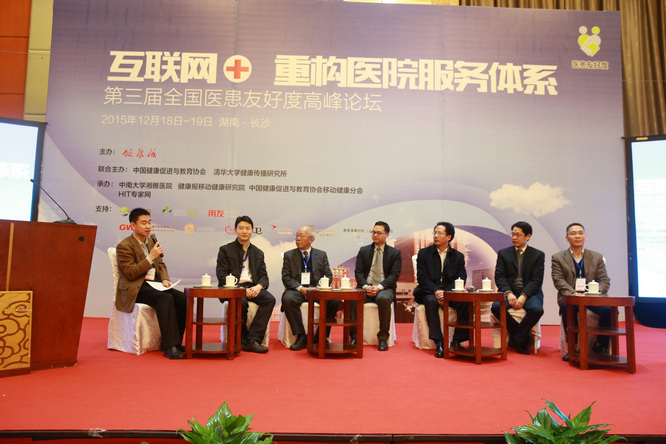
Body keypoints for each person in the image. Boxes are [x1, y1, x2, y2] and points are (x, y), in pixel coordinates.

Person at [115, 208, 187, 360]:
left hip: (155, 285)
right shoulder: (124, 245)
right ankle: (170, 347)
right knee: (165, 298)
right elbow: (131, 273)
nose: (148, 226)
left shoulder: (151, 241)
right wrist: (149, 258)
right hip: (137, 287)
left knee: (183, 299)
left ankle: (176, 342)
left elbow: (161, 264)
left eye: (149, 222)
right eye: (143, 223)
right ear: (133, 225)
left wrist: (165, 279)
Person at [551, 222, 611, 361]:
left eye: (580, 233)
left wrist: (595, 292)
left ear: (585, 236)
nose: (577, 236)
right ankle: (573, 347)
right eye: (573, 233)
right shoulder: (558, 258)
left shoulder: (596, 257)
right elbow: (558, 280)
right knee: (568, 307)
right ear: (567, 238)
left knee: (608, 309)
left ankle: (600, 344)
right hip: (571, 297)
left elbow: (604, 280)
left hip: (592, 297)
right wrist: (574, 294)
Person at [216, 215, 276, 353]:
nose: (244, 231)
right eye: (241, 228)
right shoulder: (225, 250)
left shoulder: (258, 252)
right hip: (233, 288)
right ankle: (241, 338)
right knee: (241, 301)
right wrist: (240, 289)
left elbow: (263, 275)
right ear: (235, 230)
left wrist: (259, 286)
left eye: (247, 228)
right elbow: (222, 275)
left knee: (269, 299)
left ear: (252, 230)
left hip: (252, 286)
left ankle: (253, 339)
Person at [413, 222, 469, 358]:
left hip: (449, 292)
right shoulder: (424, 253)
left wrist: (446, 293)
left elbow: (461, 278)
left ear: (448, 237)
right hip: (428, 291)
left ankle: (457, 340)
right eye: (435, 233)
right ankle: (439, 342)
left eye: (439, 233)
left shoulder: (458, 256)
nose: (435, 236)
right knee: (431, 301)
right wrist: (436, 291)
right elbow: (422, 278)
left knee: (465, 303)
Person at [491, 221, 545, 355]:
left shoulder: (538, 255)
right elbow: (499, 277)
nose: (514, 238)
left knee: (537, 309)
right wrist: (508, 293)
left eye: (518, 235)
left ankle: (516, 339)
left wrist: (524, 295)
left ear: (528, 236)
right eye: (513, 234)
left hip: (530, 293)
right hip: (509, 291)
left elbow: (536, 280)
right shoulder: (503, 253)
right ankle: (522, 338)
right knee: (496, 307)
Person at [281, 226, 337, 351]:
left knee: (334, 301)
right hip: (298, 290)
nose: (297, 238)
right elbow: (286, 277)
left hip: (316, 290)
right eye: (296, 235)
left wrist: (318, 288)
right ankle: (301, 336)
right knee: (288, 299)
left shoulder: (321, 255)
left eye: (301, 236)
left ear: (311, 239)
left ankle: (321, 336)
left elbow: (328, 275)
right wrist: (301, 288)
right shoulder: (289, 255)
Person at [351, 221, 402, 351]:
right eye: (373, 232)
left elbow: (394, 276)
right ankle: (354, 336)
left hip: (384, 288)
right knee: (353, 298)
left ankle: (383, 338)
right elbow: (358, 272)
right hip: (366, 287)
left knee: (383, 299)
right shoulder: (364, 251)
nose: (375, 235)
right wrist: (365, 286)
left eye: (378, 233)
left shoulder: (395, 253)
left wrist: (379, 287)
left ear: (387, 235)